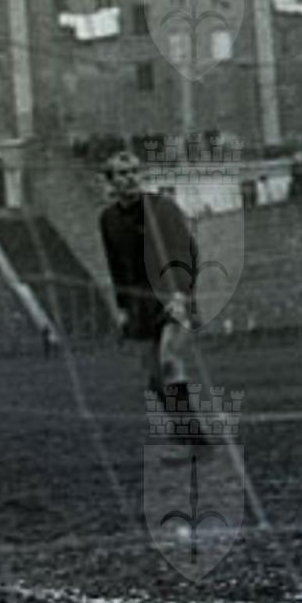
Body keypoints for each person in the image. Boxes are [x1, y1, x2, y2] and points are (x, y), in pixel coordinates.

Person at [97, 149, 203, 435]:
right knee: (154, 377)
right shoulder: (108, 219)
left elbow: (187, 251)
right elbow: (115, 265)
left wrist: (181, 293)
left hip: (171, 294)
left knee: (169, 359)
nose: (131, 178)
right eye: (123, 173)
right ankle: (182, 427)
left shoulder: (162, 208)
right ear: (111, 181)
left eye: (135, 171)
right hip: (138, 302)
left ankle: (193, 431)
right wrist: (121, 307)